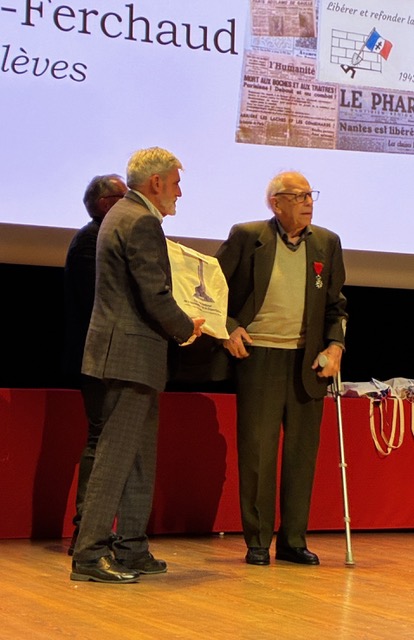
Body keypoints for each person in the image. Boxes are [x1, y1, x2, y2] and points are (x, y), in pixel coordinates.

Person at [70, 147, 204, 583]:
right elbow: (154, 293)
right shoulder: (141, 220)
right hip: (129, 355)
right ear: (156, 182)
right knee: (115, 456)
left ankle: (131, 547)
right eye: (176, 183)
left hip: (131, 355)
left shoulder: (121, 214)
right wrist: (185, 328)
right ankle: (90, 554)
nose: (180, 193)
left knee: (140, 457)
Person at [216, 170, 347, 566]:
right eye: (298, 195)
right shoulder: (247, 236)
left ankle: (292, 541)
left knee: (301, 454)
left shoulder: (326, 242)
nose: (308, 202)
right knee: (258, 452)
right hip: (260, 356)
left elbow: (336, 306)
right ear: (275, 203)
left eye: (310, 195)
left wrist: (336, 346)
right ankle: (257, 541)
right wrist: (229, 327)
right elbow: (211, 290)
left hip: (307, 360)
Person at [63, 174, 127, 555]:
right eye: (125, 196)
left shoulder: (100, 238)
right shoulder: (91, 241)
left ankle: (96, 529)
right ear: (106, 204)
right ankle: (86, 529)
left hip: (109, 355)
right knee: (100, 438)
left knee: (105, 438)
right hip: (100, 356)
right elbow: (102, 302)